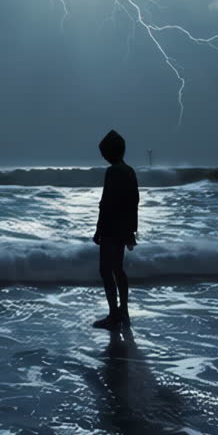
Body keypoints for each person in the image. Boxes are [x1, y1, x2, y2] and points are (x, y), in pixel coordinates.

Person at [92, 129, 139, 328]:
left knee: (105, 269)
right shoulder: (129, 171)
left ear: (110, 152)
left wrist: (98, 229)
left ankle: (113, 314)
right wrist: (132, 231)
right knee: (118, 269)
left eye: (104, 152)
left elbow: (106, 203)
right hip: (124, 227)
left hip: (111, 227)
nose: (103, 156)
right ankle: (124, 312)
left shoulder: (112, 172)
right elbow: (134, 201)